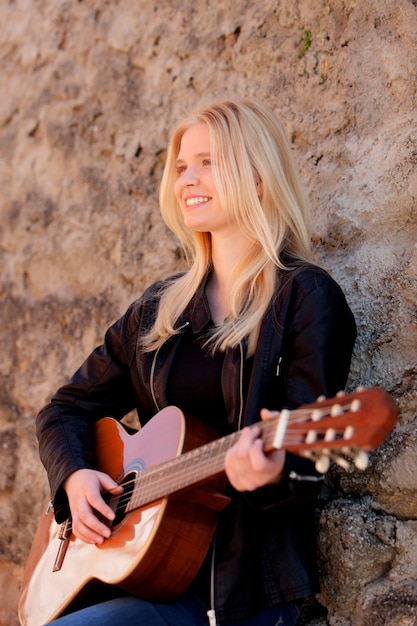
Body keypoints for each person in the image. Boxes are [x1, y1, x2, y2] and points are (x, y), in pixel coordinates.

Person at [35, 98, 356, 626]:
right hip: (141, 575)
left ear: (257, 177)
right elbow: (65, 408)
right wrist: (74, 476)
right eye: (181, 166)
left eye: (207, 161)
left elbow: (308, 461)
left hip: (245, 594)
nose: (187, 178)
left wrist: (273, 469)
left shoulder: (305, 298)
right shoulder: (158, 310)